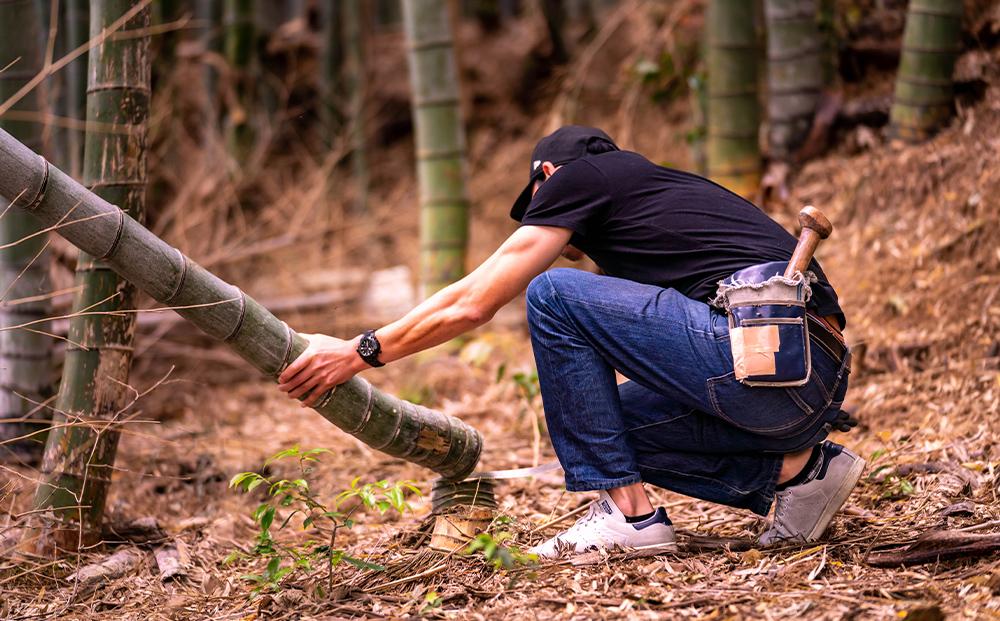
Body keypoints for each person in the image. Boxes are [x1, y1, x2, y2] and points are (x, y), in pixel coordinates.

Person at [277, 126, 864, 558]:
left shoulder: (583, 176)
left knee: (553, 292)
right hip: (805, 376)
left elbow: (474, 300)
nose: (544, 226)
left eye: (535, 207)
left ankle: (630, 518)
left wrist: (359, 351)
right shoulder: (658, 198)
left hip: (769, 352)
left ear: (548, 176)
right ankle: (801, 472)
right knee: (603, 424)